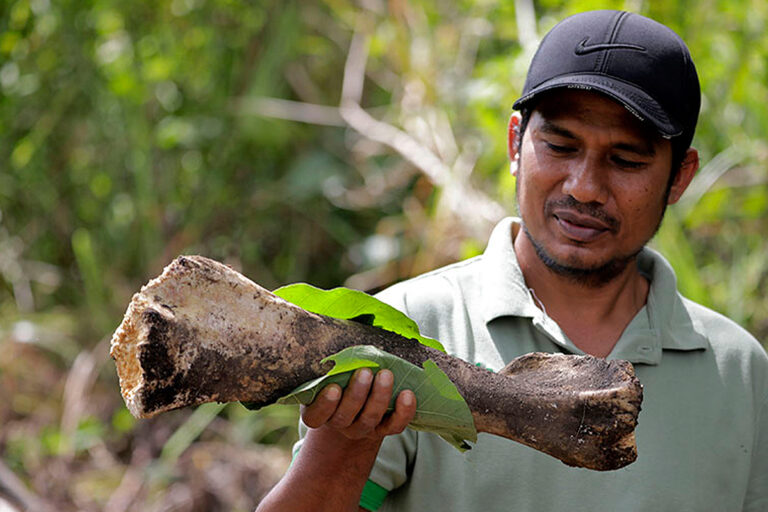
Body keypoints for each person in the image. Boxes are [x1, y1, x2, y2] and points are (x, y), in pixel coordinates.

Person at [257, 10, 768, 512]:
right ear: (516, 143)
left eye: (626, 160)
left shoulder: (740, 372)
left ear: (680, 176)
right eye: (560, 146)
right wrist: (343, 446)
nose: (585, 188)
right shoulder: (404, 329)